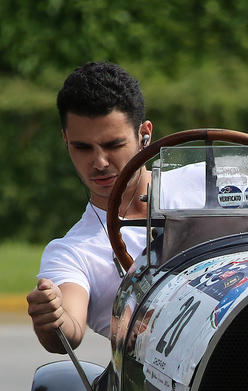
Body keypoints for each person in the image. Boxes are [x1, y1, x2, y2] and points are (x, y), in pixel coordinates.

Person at [25, 62, 169, 354]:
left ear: (145, 134)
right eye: (82, 147)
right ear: (65, 139)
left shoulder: (210, 185)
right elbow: (69, 330)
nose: (100, 162)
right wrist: (53, 316)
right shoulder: (72, 253)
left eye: (113, 144)